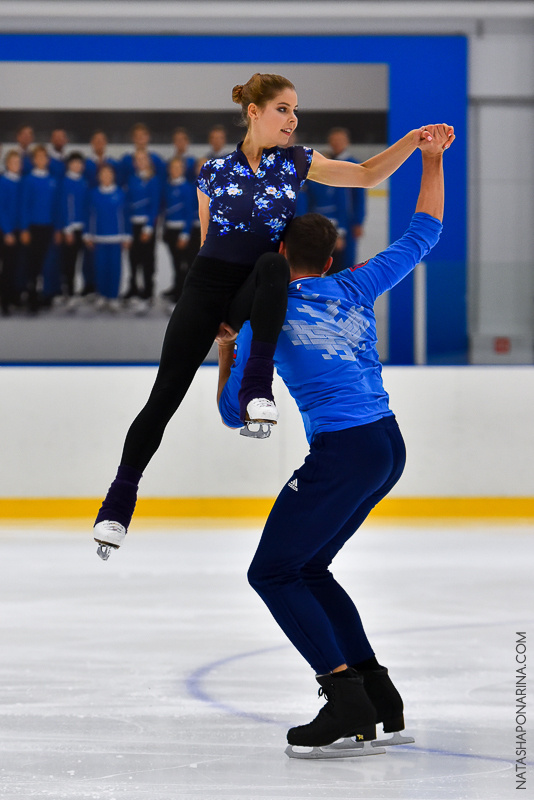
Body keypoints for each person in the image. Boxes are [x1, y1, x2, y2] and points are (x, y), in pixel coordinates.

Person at [92, 70, 452, 558]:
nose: (293, 119)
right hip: (207, 289)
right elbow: (206, 242)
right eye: (284, 109)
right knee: (163, 400)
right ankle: (117, 507)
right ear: (254, 112)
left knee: (269, 265)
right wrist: (218, 315)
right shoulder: (212, 171)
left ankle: (258, 389)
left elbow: (367, 175)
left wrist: (413, 143)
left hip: (258, 284)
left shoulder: (298, 162)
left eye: (296, 110)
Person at [216, 124, 453, 756]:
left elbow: (234, 414)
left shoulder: (267, 316)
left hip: (345, 452)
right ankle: (378, 695)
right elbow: (423, 231)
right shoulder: (355, 286)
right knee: (309, 568)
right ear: (331, 258)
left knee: (271, 572)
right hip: (386, 446)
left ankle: (344, 698)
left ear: (278, 253)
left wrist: (225, 353)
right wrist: (429, 159)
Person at [20, 145, 62, 314]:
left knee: (47, 263)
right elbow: (24, 206)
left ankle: (46, 294)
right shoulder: (28, 180)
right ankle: (31, 296)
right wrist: (24, 228)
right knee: (33, 263)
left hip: (49, 227)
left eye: (44, 157)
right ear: (33, 160)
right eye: (38, 157)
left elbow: (57, 207)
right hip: (33, 227)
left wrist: (58, 228)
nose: (41, 160)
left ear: (48, 160)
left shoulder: (53, 180)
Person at [85, 164, 130, 312]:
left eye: (109, 174)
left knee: (115, 268)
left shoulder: (120, 193)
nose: (106, 177)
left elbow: (125, 216)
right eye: (103, 174)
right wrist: (88, 234)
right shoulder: (93, 194)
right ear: (99, 176)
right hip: (99, 237)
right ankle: (102, 295)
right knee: (100, 268)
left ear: (113, 176)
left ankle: (113, 296)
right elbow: (89, 216)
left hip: (116, 238)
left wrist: (127, 235)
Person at [123, 149, 161, 311]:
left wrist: (149, 227)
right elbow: (127, 204)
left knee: (147, 259)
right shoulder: (131, 179)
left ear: (148, 162)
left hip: (147, 225)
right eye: (137, 160)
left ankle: (148, 291)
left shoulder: (153, 180)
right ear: (134, 163)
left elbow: (155, 205)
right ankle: (133, 288)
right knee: (133, 258)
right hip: (133, 225)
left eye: (143, 160)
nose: (140, 163)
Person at [326, 127, 367, 271]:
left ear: (346, 142)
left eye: (340, 140)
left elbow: (359, 197)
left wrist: (358, 221)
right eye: (334, 140)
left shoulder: (353, 164)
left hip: (348, 221)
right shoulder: (326, 163)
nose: (337, 143)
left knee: (346, 261)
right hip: (329, 219)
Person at [161, 156, 195, 303]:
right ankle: (177, 288)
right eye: (173, 167)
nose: (175, 170)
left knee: (184, 263)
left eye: (178, 167)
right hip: (170, 230)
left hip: (182, 231)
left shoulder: (188, 188)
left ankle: (182, 294)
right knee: (175, 262)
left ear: (183, 169)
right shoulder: (167, 187)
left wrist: (185, 234)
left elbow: (189, 213)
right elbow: (164, 210)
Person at [60, 152, 89, 309]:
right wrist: (68, 229)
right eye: (74, 163)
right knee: (69, 263)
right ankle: (69, 292)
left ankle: (84, 290)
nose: (77, 166)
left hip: (83, 230)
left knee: (82, 262)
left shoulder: (83, 182)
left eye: (80, 163)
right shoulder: (65, 182)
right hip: (70, 230)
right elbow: (64, 207)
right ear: (69, 165)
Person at [0, 150, 23, 315]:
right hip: (7, 231)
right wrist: (7, 231)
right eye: (13, 162)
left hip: (20, 230)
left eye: (18, 162)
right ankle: (5, 301)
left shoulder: (22, 182)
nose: (17, 165)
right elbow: (1, 209)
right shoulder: (3, 182)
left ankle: (15, 296)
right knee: (7, 267)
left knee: (17, 266)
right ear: (7, 164)